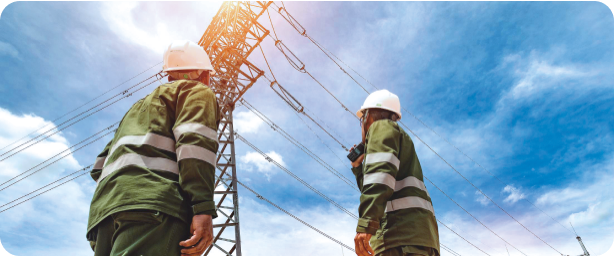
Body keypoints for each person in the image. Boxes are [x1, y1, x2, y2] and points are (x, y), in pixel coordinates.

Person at [86, 40, 220, 256]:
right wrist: (202, 208)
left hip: (105, 212)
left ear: (169, 77)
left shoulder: (136, 109)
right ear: (204, 74)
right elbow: (195, 145)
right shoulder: (197, 91)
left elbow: (98, 167)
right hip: (155, 206)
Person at [350, 90, 440, 256]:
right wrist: (358, 168)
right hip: (419, 239)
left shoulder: (380, 127)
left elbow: (379, 179)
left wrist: (366, 224)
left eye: (361, 120)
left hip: (398, 239)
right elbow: (381, 187)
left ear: (368, 115)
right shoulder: (401, 139)